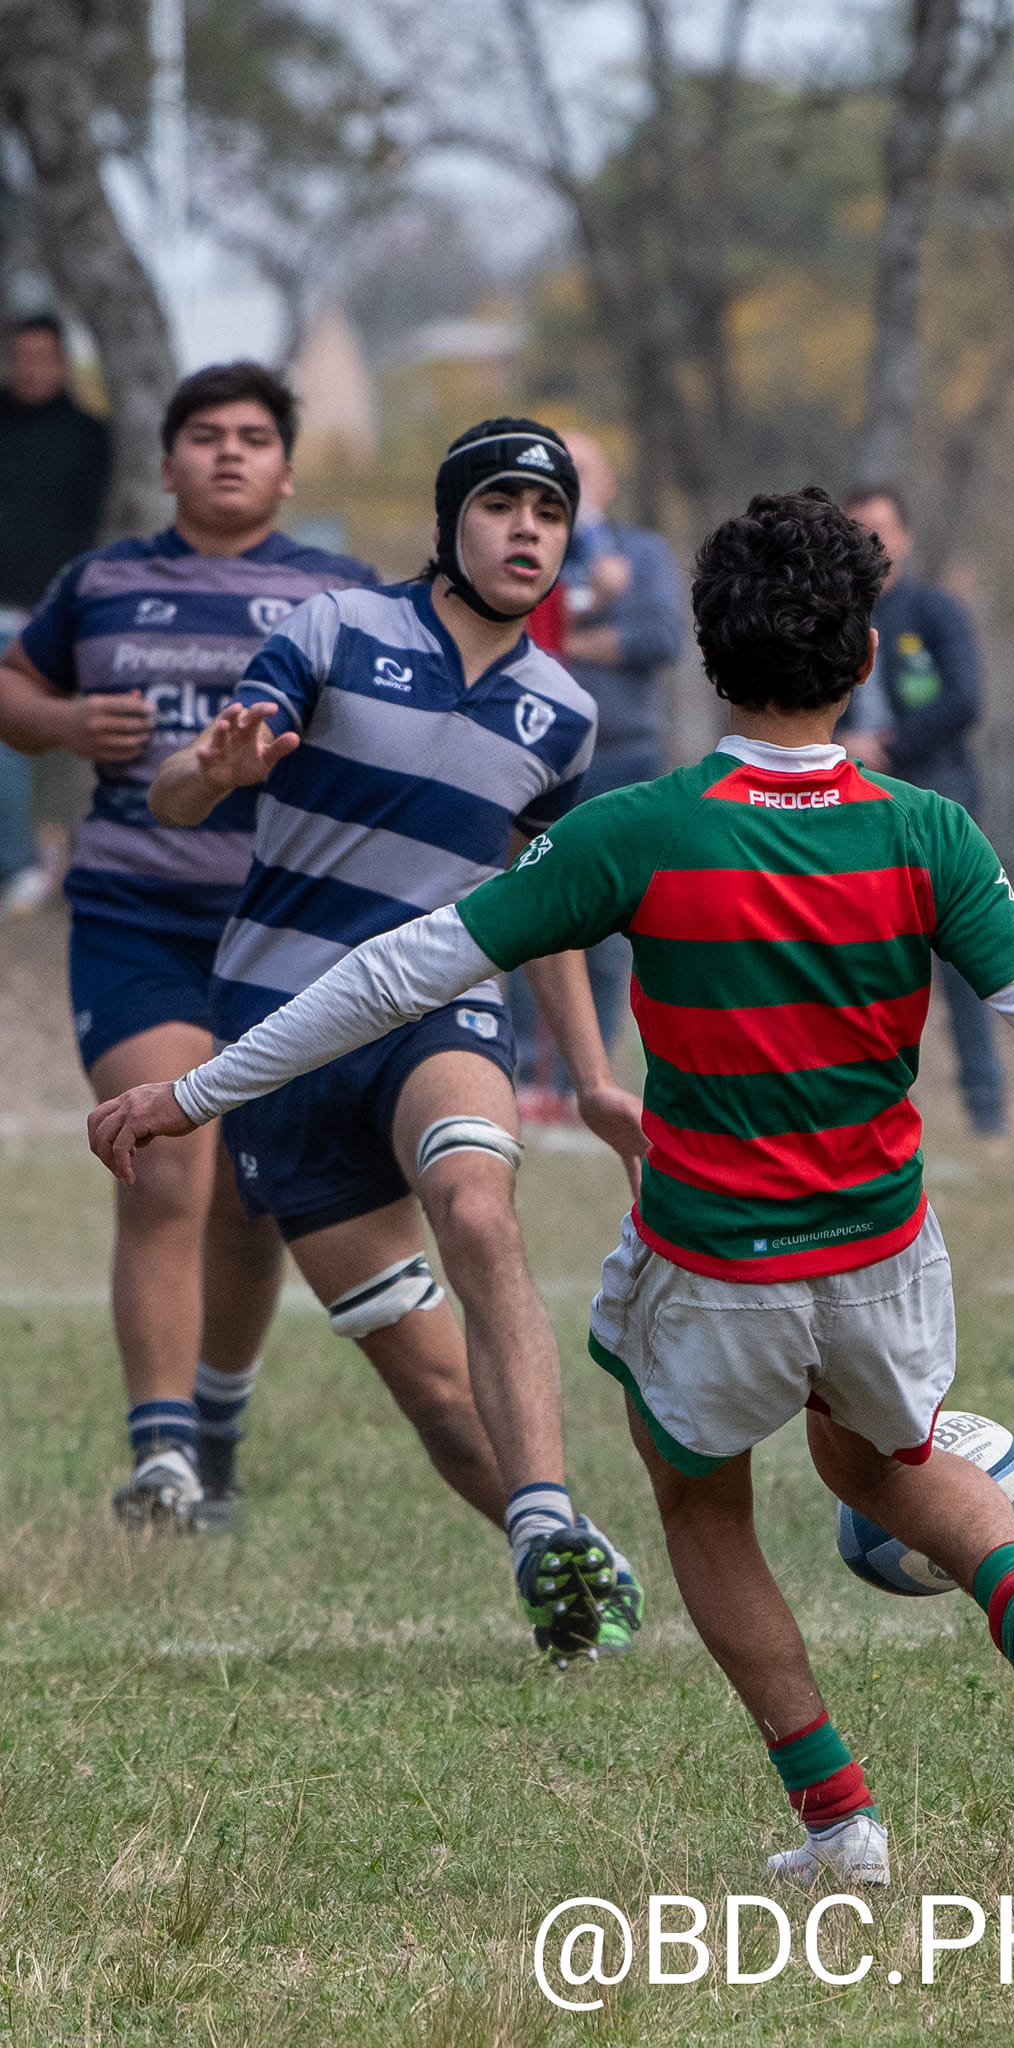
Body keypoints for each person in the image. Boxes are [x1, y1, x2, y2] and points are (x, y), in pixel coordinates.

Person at [89, 484, 1014, 1885]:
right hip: (883, 1257)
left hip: (716, 1267)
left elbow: (399, 970)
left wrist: (197, 1090)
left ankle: (840, 1822)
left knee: (703, 1506)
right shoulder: (925, 833)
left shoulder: (633, 832)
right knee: (875, 1458)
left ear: (706, 656)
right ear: (867, 658)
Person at [134, 417, 648, 1656]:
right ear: (449, 520)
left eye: (549, 512)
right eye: (502, 504)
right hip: (282, 1026)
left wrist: (588, 1074)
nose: (527, 529)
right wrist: (212, 769)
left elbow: (553, 898)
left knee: (478, 1203)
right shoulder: (332, 628)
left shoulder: (563, 714)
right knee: (428, 1387)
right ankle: (568, 1558)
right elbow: (175, 792)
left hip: (437, 1007)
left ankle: (541, 1518)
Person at [0, 360, 374, 1529]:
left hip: (285, 932)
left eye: (253, 436)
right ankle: (159, 1457)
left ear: (287, 466)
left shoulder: (341, 594)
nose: (227, 452)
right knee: (166, 1158)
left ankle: (215, 1421)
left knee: (250, 1197)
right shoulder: (104, 579)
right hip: (134, 915)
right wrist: (62, 720)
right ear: (165, 464)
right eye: (203, 435)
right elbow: (12, 683)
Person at [511, 428, 684, 1116]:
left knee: (614, 929)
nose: (574, 486)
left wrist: (568, 639)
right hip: (539, 757)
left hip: (625, 756)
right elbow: (513, 636)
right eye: (561, 473)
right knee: (535, 911)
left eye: (585, 472)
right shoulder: (528, 551)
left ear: (607, 484)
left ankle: (592, 1076)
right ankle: (529, 1073)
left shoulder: (642, 553)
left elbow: (661, 638)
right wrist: (586, 609)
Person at [840, 484, 1006, 1137]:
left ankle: (985, 1107)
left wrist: (887, 745)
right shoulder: (825, 613)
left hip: (936, 793)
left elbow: (964, 699)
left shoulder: (936, 610)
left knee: (961, 957)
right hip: (846, 799)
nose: (869, 542)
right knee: (860, 955)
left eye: (880, 529)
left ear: (904, 537)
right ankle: (862, 1105)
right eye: (855, 529)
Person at [0, 312, 112, 915]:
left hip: (59, 617)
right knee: (6, 749)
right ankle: (18, 864)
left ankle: (63, 861)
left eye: (44, 356)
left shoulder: (90, 435)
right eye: (21, 356)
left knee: (71, 750)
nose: (31, 368)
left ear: (63, 361)